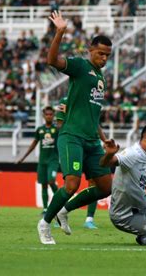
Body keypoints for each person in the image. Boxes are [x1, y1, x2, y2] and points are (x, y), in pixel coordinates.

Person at [37, 11, 113, 245]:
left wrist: (103, 138)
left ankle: (64, 210)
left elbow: (93, 114)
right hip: (71, 137)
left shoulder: (100, 77)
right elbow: (52, 61)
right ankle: (45, 223)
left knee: (105, 187)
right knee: (72, 184)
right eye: (100, 53)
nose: (103, 58)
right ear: (90, 50)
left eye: (107, 55)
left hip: (91, 140)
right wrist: (59, 32)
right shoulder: (80, 66)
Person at [55, 96, 108, 229]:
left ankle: (89, 219)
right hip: (74, 145)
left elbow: (95, 123)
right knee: (70, 183)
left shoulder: (90, 101)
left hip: (91, 144)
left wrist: (104, 140)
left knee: (94, 183)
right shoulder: (66, 100)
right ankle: (58, 214)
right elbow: (60, 124)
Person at [17, 106, 59, 214]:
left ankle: (60, 200)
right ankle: (45, 209)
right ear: (43, 116)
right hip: (42, 162)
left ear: (53, 116)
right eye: (47, 114)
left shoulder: (57, 129)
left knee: (51, 180)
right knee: (44, 184)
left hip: (53, 161)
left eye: (51, 114)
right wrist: (23, 157)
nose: (49, 116)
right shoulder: (40, 130)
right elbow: (34, 144)